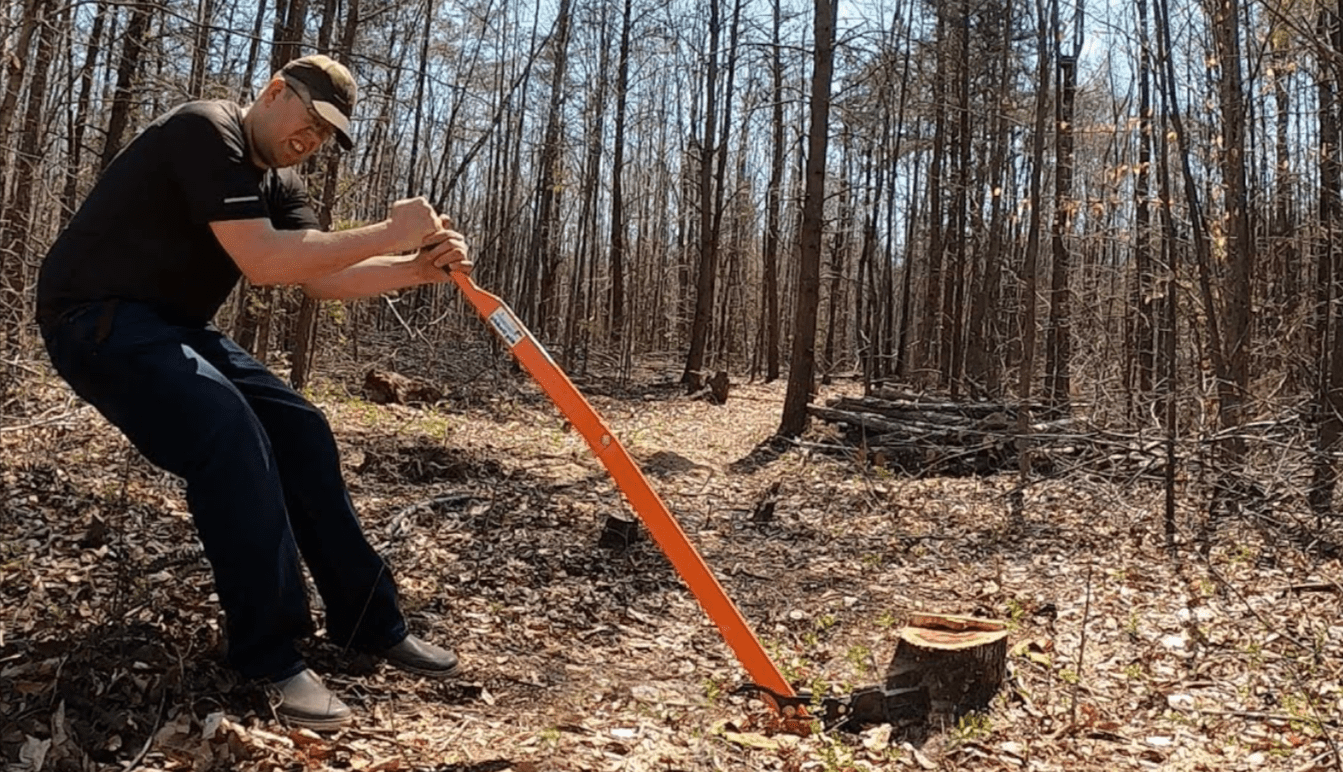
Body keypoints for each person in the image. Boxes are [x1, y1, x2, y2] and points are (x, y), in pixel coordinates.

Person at [35, 54, 472, 730]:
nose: (313, 140)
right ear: (274, 93)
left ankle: (367, 622)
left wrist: (418, 269)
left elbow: (318, 275)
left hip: (172, 327)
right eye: (311, 122)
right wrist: (391, 230)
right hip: (93, 317)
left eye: (328, 135)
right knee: (227, 430)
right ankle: (267, 655)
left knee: (299, 427)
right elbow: (265, 263)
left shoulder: (275, 182)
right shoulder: (205, 129)